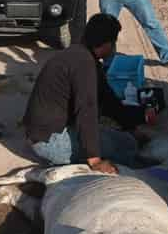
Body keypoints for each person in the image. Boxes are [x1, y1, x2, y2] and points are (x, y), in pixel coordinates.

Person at [23, 14, 147, 174]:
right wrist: (94, 160)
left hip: (42, 133)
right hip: (49, 142)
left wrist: (131, 126)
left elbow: (108, 99)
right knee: (126, 147)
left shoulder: (79, 53)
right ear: (107, 44)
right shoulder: (85, 65)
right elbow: (86, 111)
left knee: (122, 138)